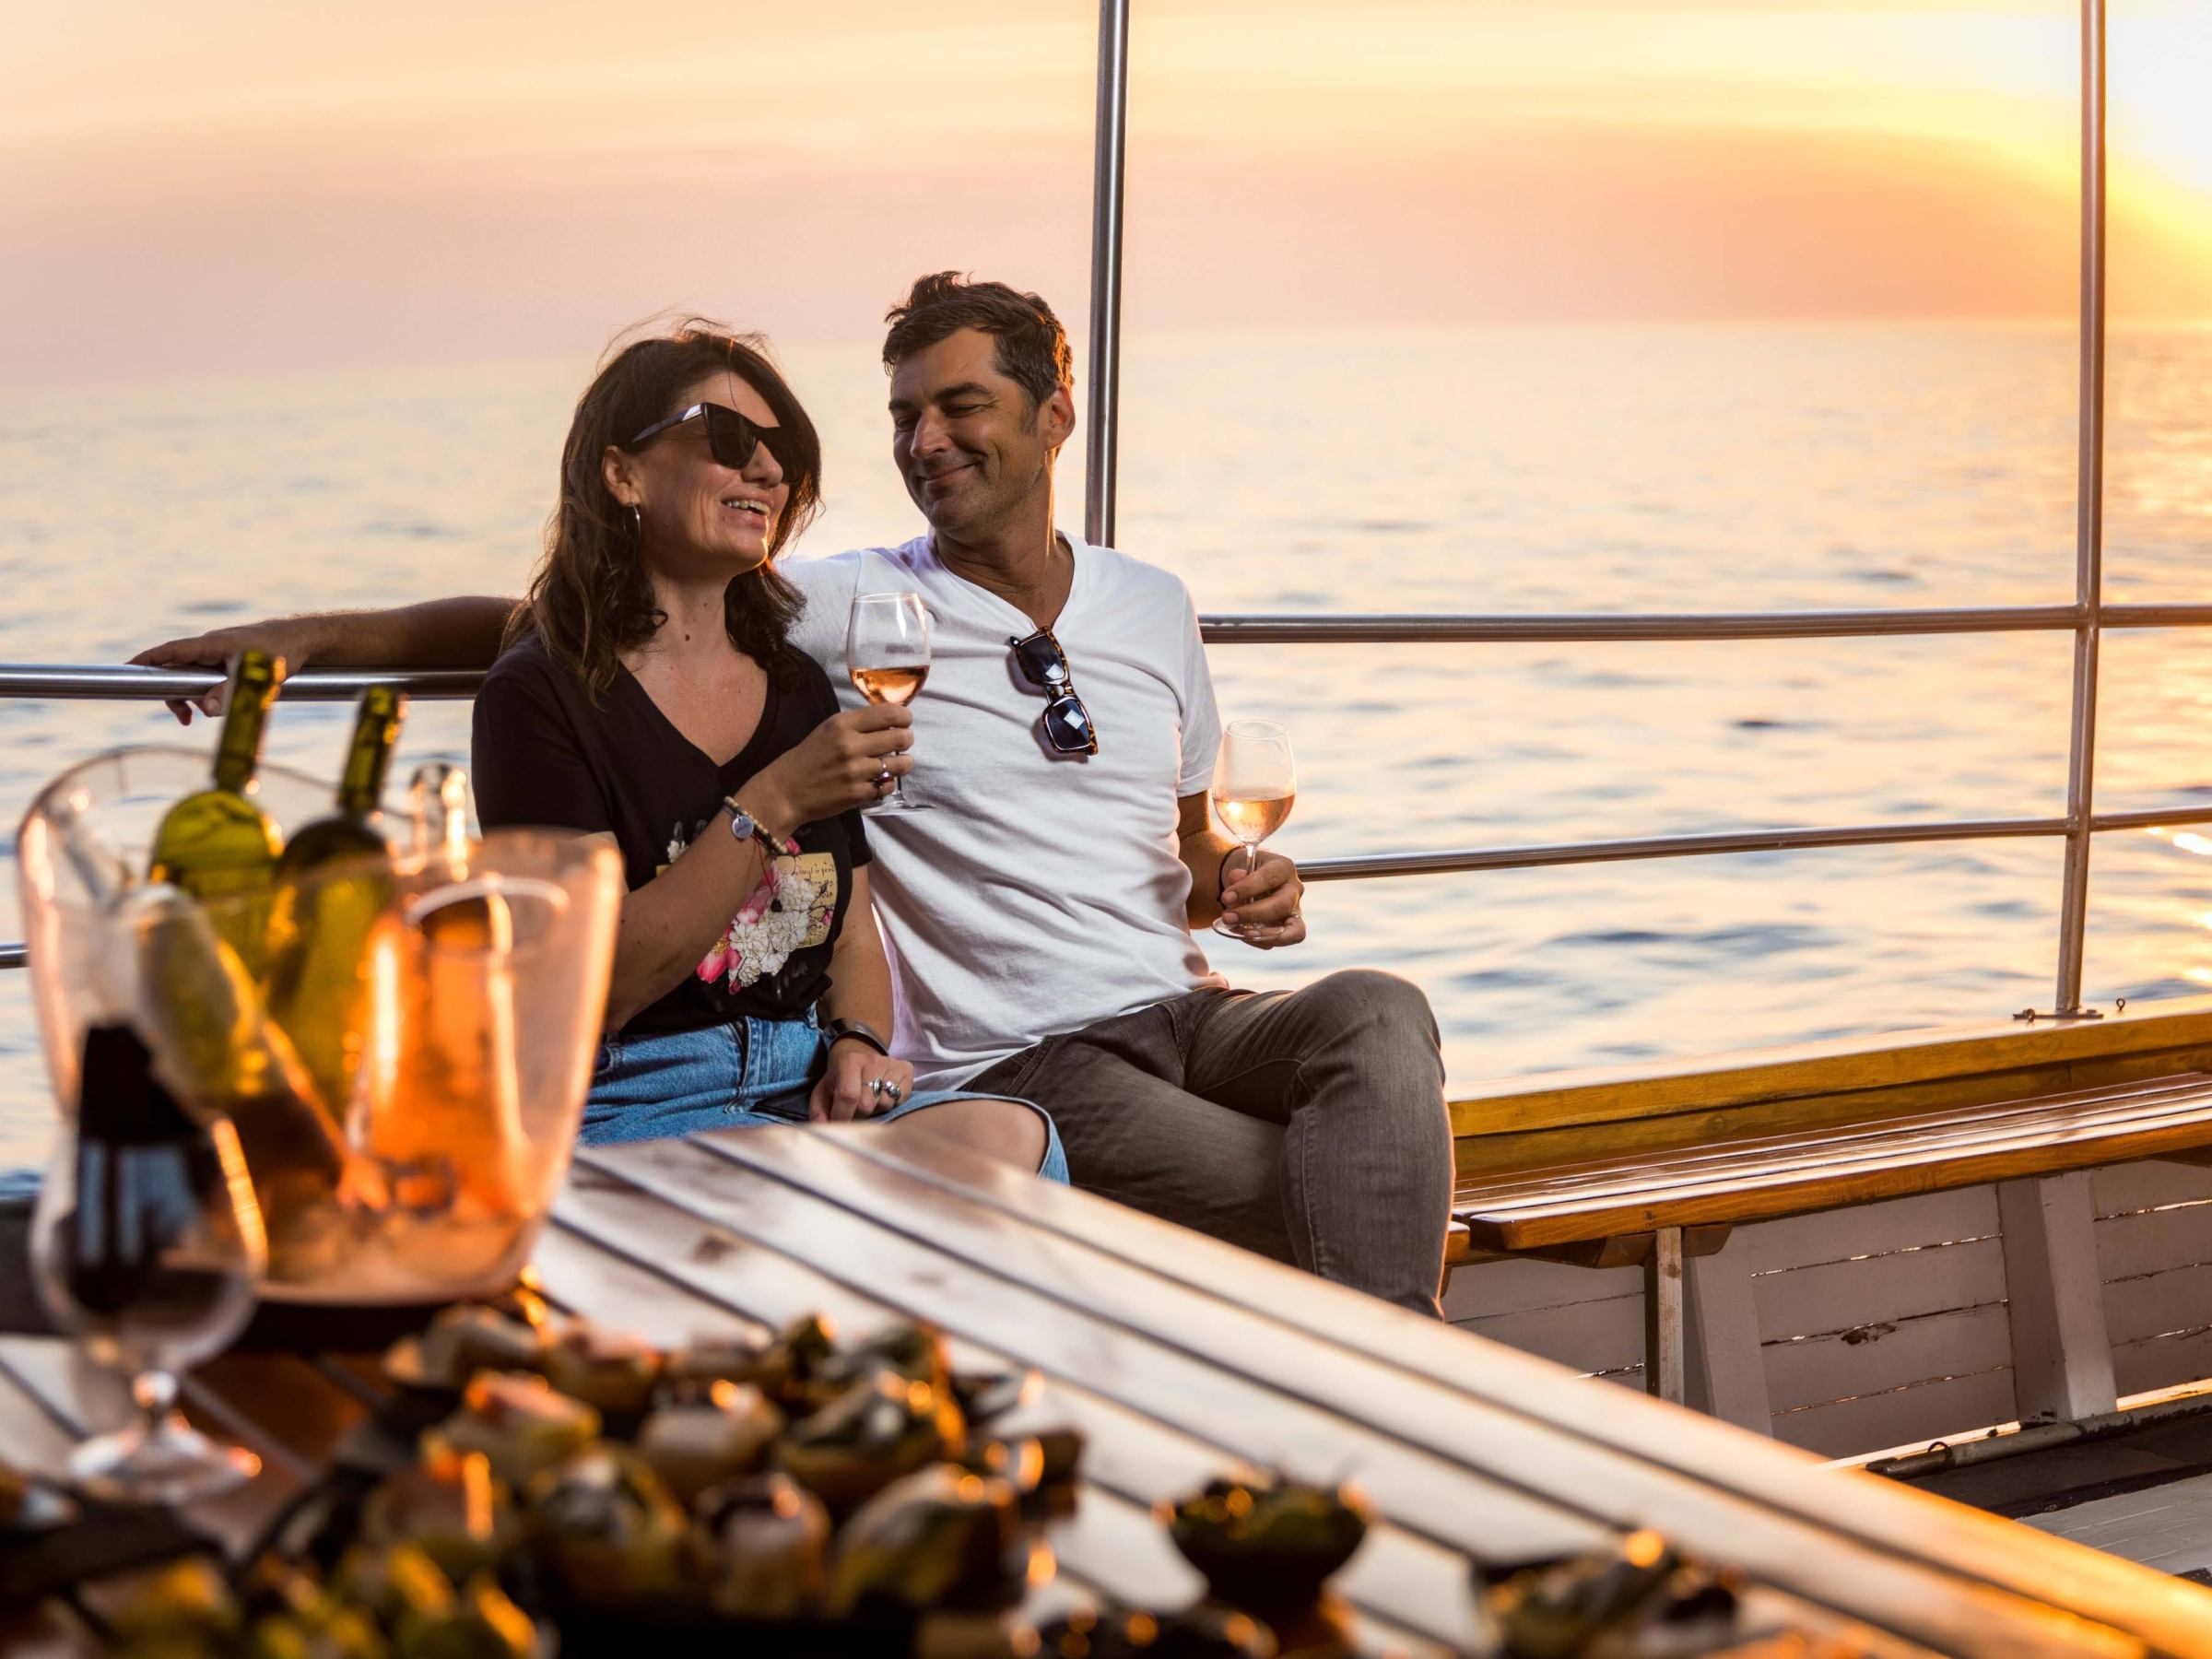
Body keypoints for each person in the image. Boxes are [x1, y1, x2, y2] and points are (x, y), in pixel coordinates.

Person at [135, 276, 1451, 1315]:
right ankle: (1420, 1411)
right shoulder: (837, 607)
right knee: (1314, 1181)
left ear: (1055, 415)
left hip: (1183, 1007)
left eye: (959, 409)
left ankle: (1397, 1391)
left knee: (1383, 1018)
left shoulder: (1152, 607)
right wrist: (307, 638)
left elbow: (1184, 853)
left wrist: (1244, 885)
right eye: (902, 419)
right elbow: (569, 621)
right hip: (1021, 1056)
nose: (924, 444)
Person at [401, 323, 1064, 1176]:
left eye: (780, 450)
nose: (768, 471)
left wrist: (860, 1042)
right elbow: (598, 990)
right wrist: (767, 806)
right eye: (726, 438)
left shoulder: (792, 680)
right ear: (621, 471)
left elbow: (854, 935)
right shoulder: (541, 698)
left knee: (1016, 1140)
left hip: (803, 1085)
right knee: (817, 1196)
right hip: (629, 1094)